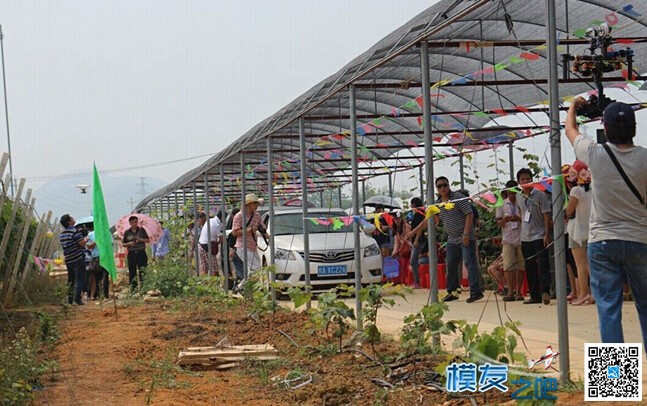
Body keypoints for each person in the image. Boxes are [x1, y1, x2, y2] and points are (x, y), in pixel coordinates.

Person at [566, 97, 647, 347]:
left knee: (608, 310)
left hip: (602, 242)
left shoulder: (594, 152)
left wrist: (573, 107)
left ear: (606, 129)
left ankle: (615, 382)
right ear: (634, 128)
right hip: (640, 240)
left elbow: (570, 130)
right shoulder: (645, 158)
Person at [435, 176, 483, 303]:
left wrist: (466, 234)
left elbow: (469, 214)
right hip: (451, 238)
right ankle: (453, 292)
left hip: (465, 236)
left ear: (449, 185)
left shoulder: (457, 198)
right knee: (450, 265)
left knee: (469, 263)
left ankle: (476, 291)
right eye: (440, 186)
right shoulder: (438, 203)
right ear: (437, 189)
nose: (443, 188)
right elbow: (431, 218)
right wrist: (414, 231)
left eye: (445, 185)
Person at [516, 168, 552, 305]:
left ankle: (545, 291)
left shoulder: (540, 195)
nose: (526, 181)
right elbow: (521, 213)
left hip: (539, 235)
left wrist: (546, 234)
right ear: (519, 182)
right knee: (529, 266)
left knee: (543, 264)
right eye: (523, 179)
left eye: (528, 178)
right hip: (525, 237)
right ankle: (534, 294)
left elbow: (546, 214)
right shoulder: (519, 197)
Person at [565, 160, 593, 306]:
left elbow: (569, 211)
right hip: (590, 230)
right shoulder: (591, 190)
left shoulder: (576, 191)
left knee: (580, 264)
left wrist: (564, 212)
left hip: (576, 231)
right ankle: (593, 293)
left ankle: (583, 293)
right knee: (590, 264)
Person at [495, 180, 525, 301]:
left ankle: (519, 292)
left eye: (514, 192)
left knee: (521, 266)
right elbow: (498, 223)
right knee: (508, 266)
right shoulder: (502, 204)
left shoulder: (522, 202)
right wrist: (504, 221)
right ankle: (510, 292)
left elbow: (527, 218)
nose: (512, 195)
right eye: (510, 192)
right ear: (506, 191)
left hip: (522, 237)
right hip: (507, 238)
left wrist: (518, 218)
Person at [232, 193, 269, 281]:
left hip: (252, 246)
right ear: (248, 204)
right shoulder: (239, 216)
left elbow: (262, 228)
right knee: (256, 269)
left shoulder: (257, 216)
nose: (256, 206)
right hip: (242, 246)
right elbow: (235, 232)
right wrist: (250, 229)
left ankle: (242, 288)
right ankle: (244, 287)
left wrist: (266, 234)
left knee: (254, 270)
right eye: (255, 203)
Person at [59, 214, 88, 305]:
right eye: (71, 218)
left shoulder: (62, 235)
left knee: (70, 279)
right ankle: (77, 299)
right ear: (69, 222)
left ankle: (70, 299)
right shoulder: (74, 232)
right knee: (80, 279)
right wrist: (86, 238)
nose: (73, 218)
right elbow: (82, 244)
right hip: (78, 258)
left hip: (68, 259)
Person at [122, 215, 150, 290]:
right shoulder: (127, 232)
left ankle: (144, 288)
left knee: (143, 270)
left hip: (141, 252)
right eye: (132, 222)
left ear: (137, 222)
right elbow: (123, 244)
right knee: (132, 271)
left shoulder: (142, 230)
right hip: (131, 253)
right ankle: (133, 289)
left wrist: (140, 239)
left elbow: (147, 240)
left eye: (135, 222)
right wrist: (129, 244)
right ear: (130, 223)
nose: (134, 223)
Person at [407, 197, 426, 289]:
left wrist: (416, 240)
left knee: (413, 261)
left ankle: (417, 281)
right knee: (413, 261)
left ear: (414, 204)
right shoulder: (417, 214)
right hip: (416, 240)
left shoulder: (419, 215)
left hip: (418, 241)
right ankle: (417, 280)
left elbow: (420, 228)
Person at [86, 226, 110, 300]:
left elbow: (110, 244)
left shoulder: (107, 233)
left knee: (105, 276)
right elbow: (88, 246)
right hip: (95, 257)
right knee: (96, 277)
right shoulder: (91, 234)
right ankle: (95, 294)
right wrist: (96, 242)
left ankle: (105, 295)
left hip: (105, 257)